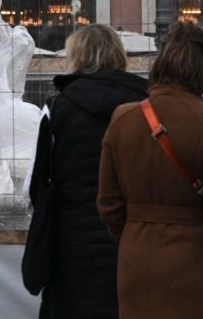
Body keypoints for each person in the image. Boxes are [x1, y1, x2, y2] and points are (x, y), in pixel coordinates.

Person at [97, 22, 203, 318]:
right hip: (198, 263)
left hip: (137, 262)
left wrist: (134, 236)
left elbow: (108, 204)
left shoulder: (123, 119)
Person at [30, 24, 148, 318]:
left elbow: (35, 186)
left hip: (71, 248)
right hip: (132, 242)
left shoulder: (58, 107)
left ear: (77, 57)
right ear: (119, 55)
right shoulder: (146, 108)